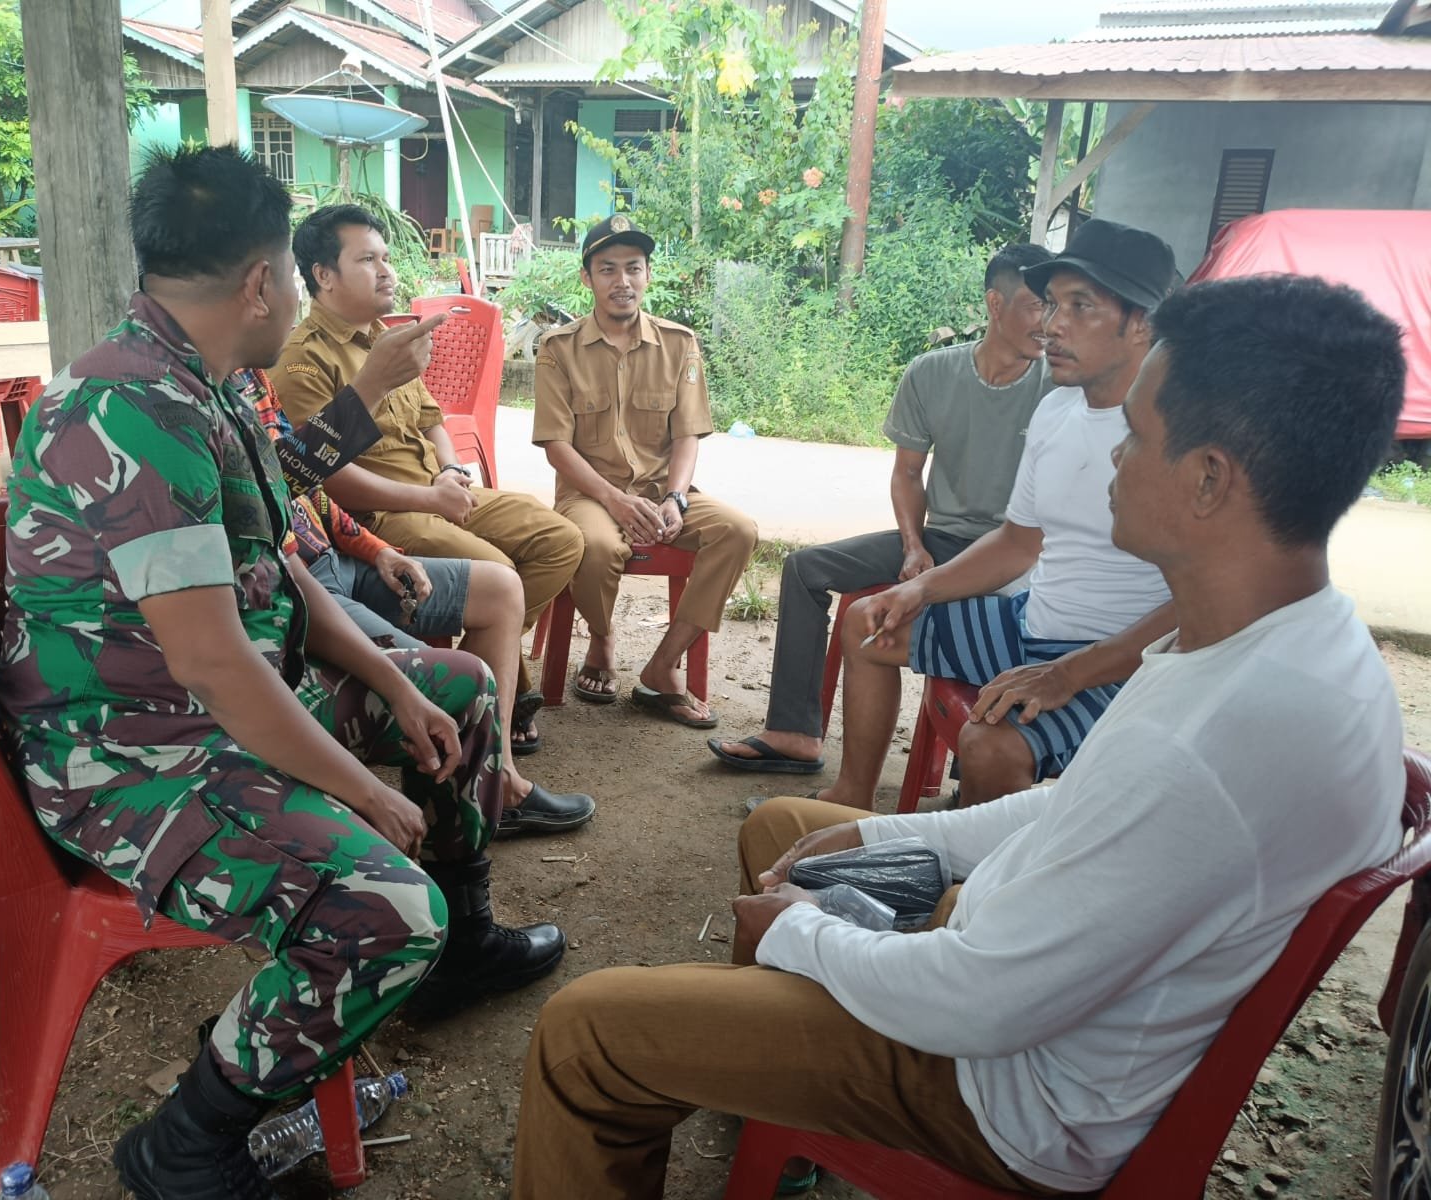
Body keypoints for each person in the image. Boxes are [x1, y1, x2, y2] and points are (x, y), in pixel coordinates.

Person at [509, 272, 1408, 1198]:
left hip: (1006, 1092)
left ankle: (767, 1076)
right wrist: (886, 837)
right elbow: (1073, 808)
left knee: (587, 1031)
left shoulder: (1212, 744)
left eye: (1137, 436)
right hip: (1024, 986)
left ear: (1210, 478)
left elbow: (979, 999)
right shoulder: (1277, 638)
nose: (1114, 457)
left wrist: (802, 934)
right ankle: (772, 1107)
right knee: (788, 827)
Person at [0, 147, 565, 1200]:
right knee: (384, 907)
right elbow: (213, 664)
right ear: (260, 282)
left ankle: (463, 950)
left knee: (460, 688)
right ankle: (186, 1143)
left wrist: (398, 682)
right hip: (133, 759)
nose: (300, 298)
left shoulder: (209, 385)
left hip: (223, 708)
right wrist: (363, 789)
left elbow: (284, 567)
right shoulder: (129, 409)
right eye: (296, 278)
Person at [811, 220, 1179, 810]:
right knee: (867, 622)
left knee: (990, 748)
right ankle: (850, 800)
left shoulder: (1182, 434)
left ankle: (974, 867)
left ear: (1141, 322)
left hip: (1122, 663)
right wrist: (921, 588)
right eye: (1051, 303)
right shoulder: (1057, 411)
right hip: (1032, 625)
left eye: (1080, 306)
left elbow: (1200, 604)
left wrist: (1067, 674)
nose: (1052, 324)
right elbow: (1017, 543)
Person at [709, 242, 1055, 774]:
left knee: (996, 613)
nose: (1048, 322)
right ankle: (794, 732)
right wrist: (913, 545)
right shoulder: (932, 373)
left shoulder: (1058, 386)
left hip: (1018, 555)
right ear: (995, 304)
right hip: (942, 539)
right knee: (805, 568)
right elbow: (909, 473)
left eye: (1055, 306)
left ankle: (971, 775)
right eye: (1036, 306)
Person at [232, 366, 596, 838]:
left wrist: (376, 550)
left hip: (338, 557)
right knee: (449, 683)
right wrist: (372, 384)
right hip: (302, 581)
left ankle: (496, 774)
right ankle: (454, 823)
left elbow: (305, 493)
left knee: (501, 588)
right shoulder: (219, 392)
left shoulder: (252, 376)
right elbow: (287, 488)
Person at [273, 204, 585, 754]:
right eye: (367, 260)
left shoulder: (387, 339)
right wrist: (430, 499)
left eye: (386, 257)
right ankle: (494, 697)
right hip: (386, 514)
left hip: (438, 489)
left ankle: (477, 672)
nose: (387, 271)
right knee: (497, 568)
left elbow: (431, 418)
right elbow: (322, 478)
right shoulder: (301, 359)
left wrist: (450, 471)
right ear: (323, 275)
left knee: (560, 539)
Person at [531, 215, 758, 729]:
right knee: (594, 546)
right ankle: (602, 637)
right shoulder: (558, 349)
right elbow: (556, 447)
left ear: (648, 275)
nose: (623, 281)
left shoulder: (679, 343)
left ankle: (662, 665)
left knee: (737, 531)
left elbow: (687, 435)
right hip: (589, 495)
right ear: (587, 277)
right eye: (607, 268)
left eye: (633, 268)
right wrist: (614, 500)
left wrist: (676, 498)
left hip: (661, 491)